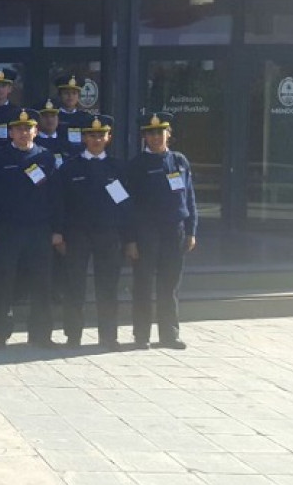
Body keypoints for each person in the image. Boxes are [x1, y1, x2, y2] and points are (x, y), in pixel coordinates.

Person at [0, 109, 62, 348]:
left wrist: (57, 229)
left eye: (28, 129)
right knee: (4, 282)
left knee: (42, 283)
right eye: (18, 129)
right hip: (8, 229)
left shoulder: (46, 157)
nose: (23, 133)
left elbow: (55, 196)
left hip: (39, 229)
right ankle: (0, 333)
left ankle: (41, 334)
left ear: (35, 131)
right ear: (11, 132)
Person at [55, 114, 132, 350]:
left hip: (109, 235)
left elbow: (126, 205)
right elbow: (60, 203)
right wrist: (58, 233)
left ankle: (108, 336)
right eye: (91, 135)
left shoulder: (118, 167)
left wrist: (129, 239)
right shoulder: (70, 166)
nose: (96, 140)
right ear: (84, 138)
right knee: (74, 285)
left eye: (101, 135)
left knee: (108, 286)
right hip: (77, 235)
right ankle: (73, 335)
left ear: (108, 138)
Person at [126, 112, 197, 350]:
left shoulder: (180, 161)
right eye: (150, 133)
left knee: (169, 285)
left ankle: (169, 334)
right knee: (143, 284)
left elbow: (190, 199)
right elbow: (128, 205)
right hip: (146, 232)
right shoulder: (136, 165)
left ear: (168, 134)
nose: (156, 137)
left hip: (174, 231)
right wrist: (131, 239)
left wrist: (191, 231)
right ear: (144, 136)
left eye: (160, 132)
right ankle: (141, 335)